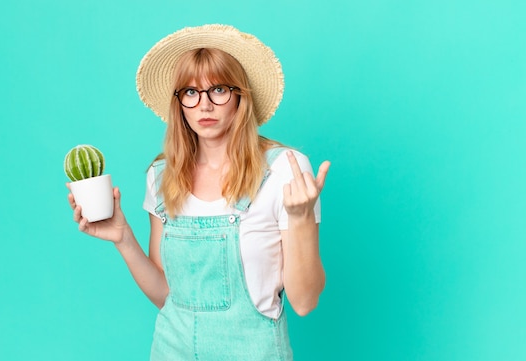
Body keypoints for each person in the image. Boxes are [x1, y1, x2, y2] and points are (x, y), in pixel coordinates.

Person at [68, 24, 330, 360]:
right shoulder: (162, 176)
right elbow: (168, 295)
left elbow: (305, 301)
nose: (205, 105)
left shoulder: (284, 171)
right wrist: (123, 238)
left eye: (218, 89)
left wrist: (301, 217)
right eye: (191, 92)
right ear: (179, 103)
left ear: (240, 97)